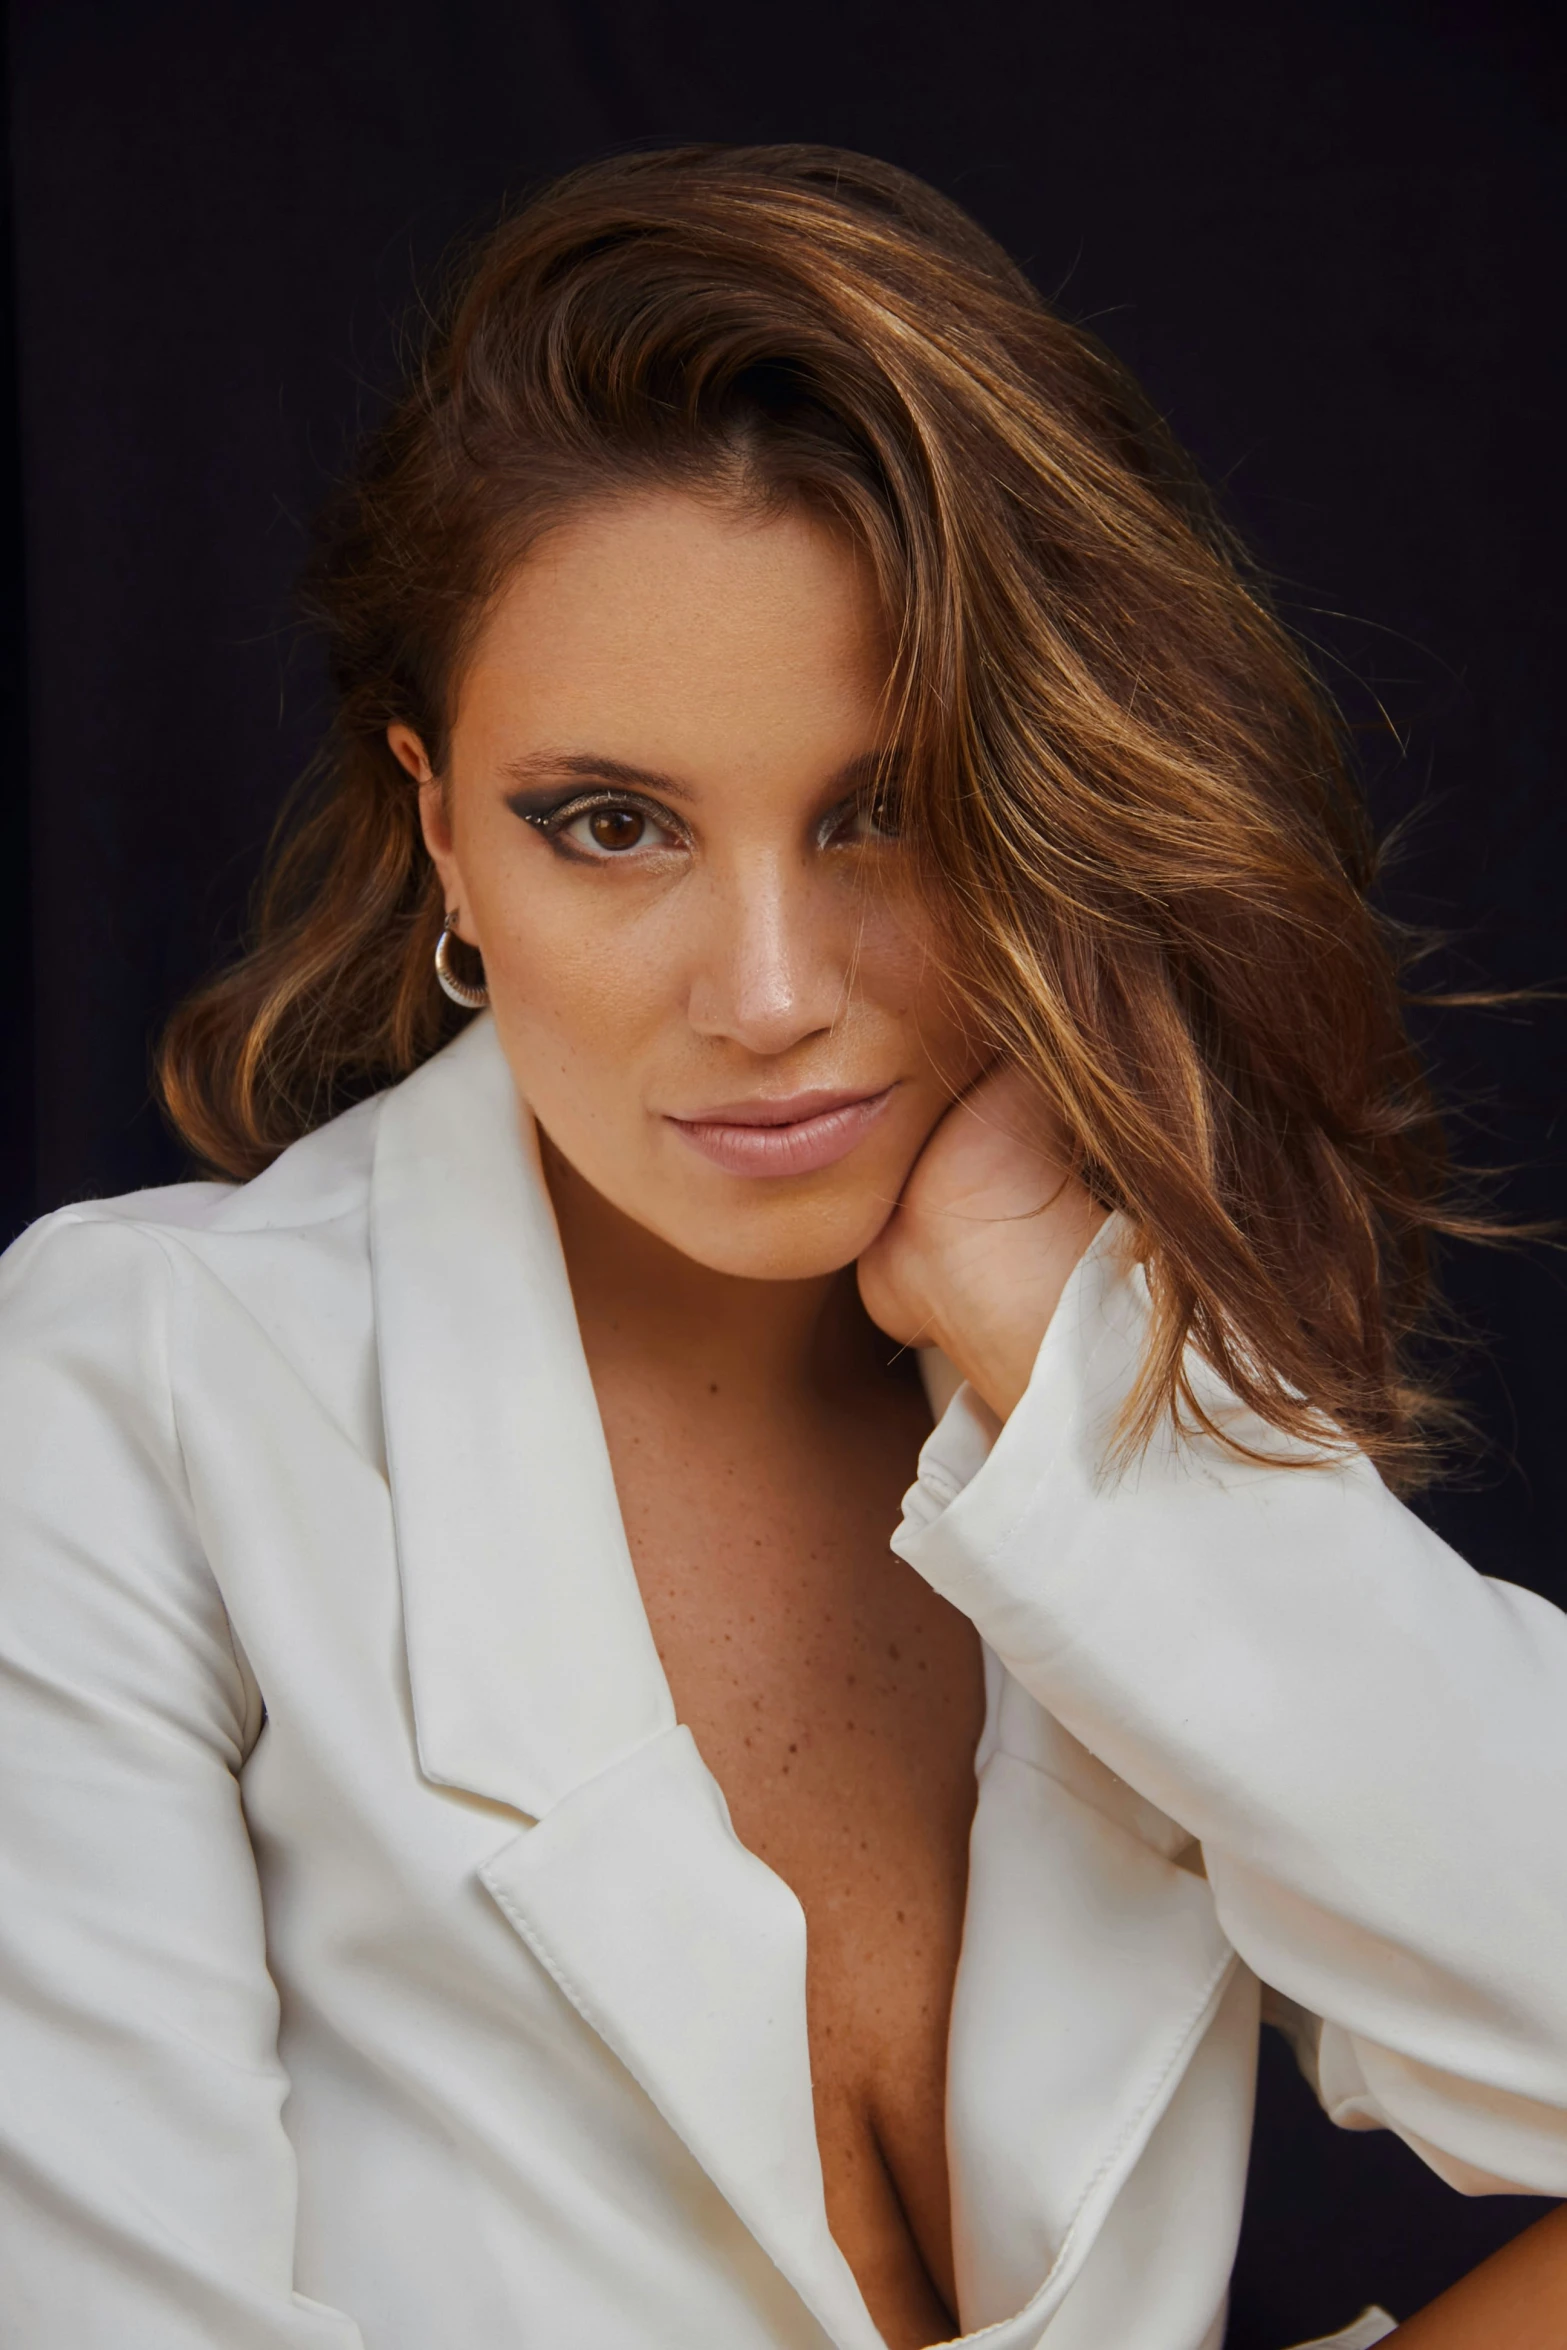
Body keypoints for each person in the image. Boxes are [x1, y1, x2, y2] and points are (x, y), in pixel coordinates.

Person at [0, 144, 1563, 2350]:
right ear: (442, 820)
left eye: (886, 807)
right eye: (610, 823)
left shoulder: (1107, 1359)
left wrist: (1071, 1381)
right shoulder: (130, 1391)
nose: (763, 989)